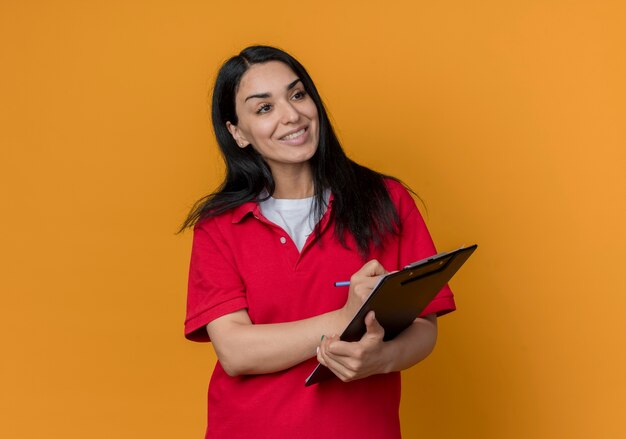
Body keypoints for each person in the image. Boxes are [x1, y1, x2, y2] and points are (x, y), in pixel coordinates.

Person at [182, 45, 455, 439]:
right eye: (264, 108)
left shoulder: (387, 200)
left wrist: (381, 358)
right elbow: (236, 352)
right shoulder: (218, 226)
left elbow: (424, 326)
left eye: (297, 94)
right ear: (237, 133)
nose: (292, 115)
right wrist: (345, 319)